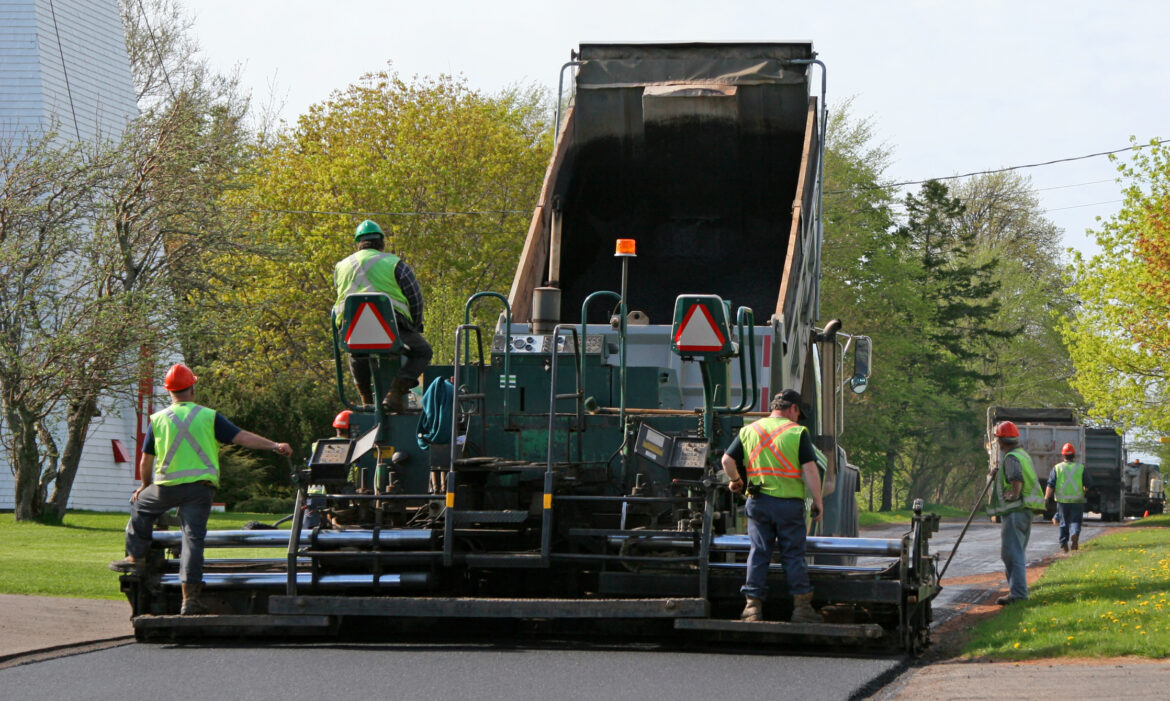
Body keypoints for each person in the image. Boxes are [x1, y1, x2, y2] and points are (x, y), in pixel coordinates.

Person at [108, 363, 293, 614]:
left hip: (166, 489)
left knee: (140, 504)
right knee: (192, 541)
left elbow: (145, 461)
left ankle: (136, 557)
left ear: (169, 392)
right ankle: (190, 599)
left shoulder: (158, 420)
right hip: (200, 490)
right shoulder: (208, 416)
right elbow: (241, 437)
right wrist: (274, 445)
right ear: (192, 389)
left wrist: (144, 486)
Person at [721, 389, 824, 623]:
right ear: (793, 409)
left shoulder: (750, 430)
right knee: (793, 555)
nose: (798, 418)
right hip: (789, 505)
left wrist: (736, 481)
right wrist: (817, 501)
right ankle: (801, 608)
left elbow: (727, 460)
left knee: (758, 553)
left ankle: (752, 608)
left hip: (758, 503)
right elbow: (810, 469)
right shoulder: (797, 432)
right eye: (799, 413)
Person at [334, 219, 432, 413]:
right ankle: (395, 393)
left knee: (355, 352)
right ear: (381, 243)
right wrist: (415, 326)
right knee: (423, 351)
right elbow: (415, 298)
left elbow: (340, 294)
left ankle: (366, 399)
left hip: (352, 330)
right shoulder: (395, 264)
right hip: (393, 328)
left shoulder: (341, 266)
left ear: (358, 243)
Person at [987, 420, 1045, 605]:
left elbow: (1016, 478)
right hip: (1023, 511)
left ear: (1002, 441)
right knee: (1014, 552)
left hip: (1016, 510)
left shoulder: (1011, 457)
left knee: (1012, 553)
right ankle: (1017, 591)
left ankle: (1018, 594)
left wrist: (1014, 493)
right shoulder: (1022, 454)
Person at [1045, 442, 1090, 553]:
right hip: (1077, 500)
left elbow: (1050, 485)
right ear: (1074, 455)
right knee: (1075, 521)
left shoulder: (1057, 468)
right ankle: (1074, 534)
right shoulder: (1081, 468)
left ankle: (1064, 544)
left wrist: (1046, 498)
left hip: (1062, 501)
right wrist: (1084, 491)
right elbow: (1088, 484)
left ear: (1063, 455)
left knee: (1063, 523)